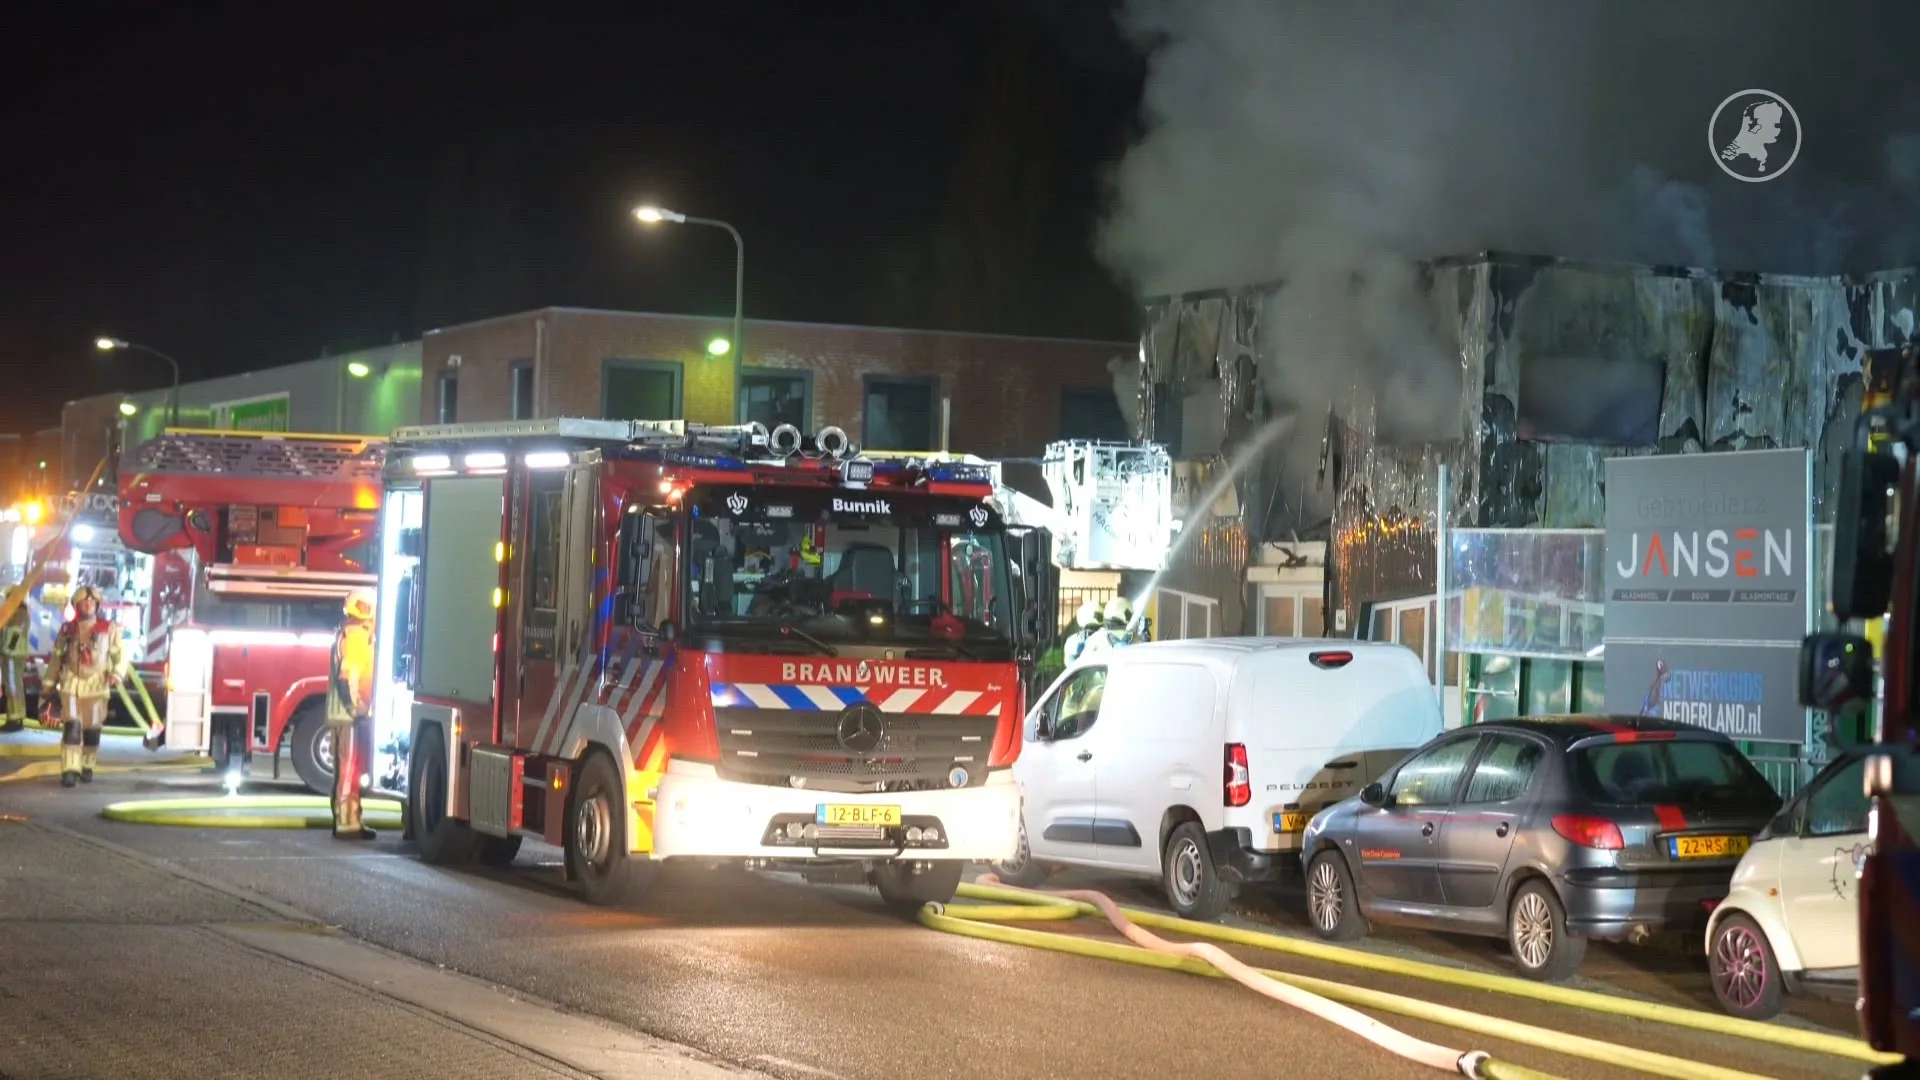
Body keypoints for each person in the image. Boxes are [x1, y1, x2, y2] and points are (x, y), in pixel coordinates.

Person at [41, 585, 124, 787]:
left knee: (92, 730)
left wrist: (117, 674)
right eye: (84, 602)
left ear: (97, 605)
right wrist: (48, 684)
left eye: (92, 602)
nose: (88, 605)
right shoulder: (67, 630)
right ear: (77, 605)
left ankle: (87, 765)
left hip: (97, 685)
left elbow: (119, 655)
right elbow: (56, 659)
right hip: (71, 683)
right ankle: (70, 770)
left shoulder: (108, 629)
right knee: (72, 728)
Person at [328, 588, 378, 841]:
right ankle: (347, 823)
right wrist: (357, 708)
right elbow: (349, 677)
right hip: (350, 715)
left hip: (343, 714)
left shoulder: (347, 630)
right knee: (349, 770)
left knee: (344, 769)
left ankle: (346, 818)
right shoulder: (358, 634)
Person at [1, 585, 30, 733]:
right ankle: (15, 717)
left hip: (13, 655)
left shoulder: (20, 613)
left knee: (13, 687)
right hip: (10, 655)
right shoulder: (13, 613)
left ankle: (15, 719)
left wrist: (5, 650)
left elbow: (15, 634)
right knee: (11, 686)